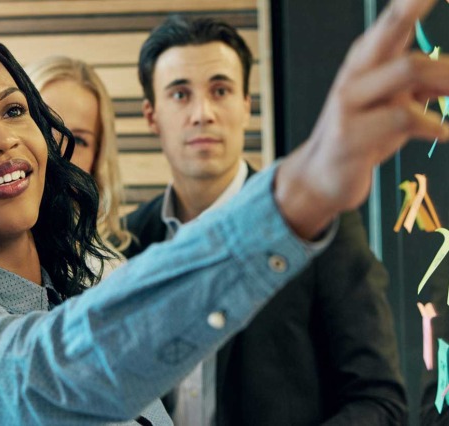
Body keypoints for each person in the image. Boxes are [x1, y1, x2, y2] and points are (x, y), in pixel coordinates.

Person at [0, 0, 448, 424]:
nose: (0, 139)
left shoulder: (89, 278)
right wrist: (292, 199)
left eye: (14, 109)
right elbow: (42, 374)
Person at [123, 14, 408, 426]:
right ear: (152, 116)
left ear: (245, 107)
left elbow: (380, 401)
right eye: (180, 95)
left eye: (220, 90)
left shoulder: (317, 226)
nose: (203, 113)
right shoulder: (126, 242)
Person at [24, 56, 131, 255]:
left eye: (79, 140)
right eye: (44, 128)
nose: (58, 150)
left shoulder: (111, 274)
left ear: (96, 159)